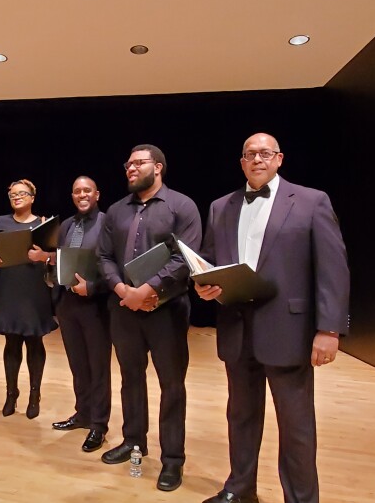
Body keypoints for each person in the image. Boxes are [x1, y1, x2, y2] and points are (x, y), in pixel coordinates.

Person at [195, 133, 350, 503]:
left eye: (264, 153)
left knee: (296, 426)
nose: (257, 160)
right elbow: (210, 261)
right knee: (241, 417)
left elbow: (333, 268)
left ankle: (299, 498)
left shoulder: (312, 201)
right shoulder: (221, 206)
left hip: (288, 329)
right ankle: (240, 489)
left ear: (279, 159)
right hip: (237, 327)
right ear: (241, 162)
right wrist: (205, 286)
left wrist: (329, 328)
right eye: (249, 154)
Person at [96, 145, 202, 491]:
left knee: (172, 386)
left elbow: (186, 257)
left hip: (167, 310)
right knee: (130, 377)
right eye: (127, 163)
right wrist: (122, 290)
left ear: (158, 167)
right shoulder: (115, 210)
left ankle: (172, 459)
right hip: (125, 308)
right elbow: (103, 256)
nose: (130, 168)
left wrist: (149, 289)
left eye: (137, 163)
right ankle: (133, 442)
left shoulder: (182, 206)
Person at [29, 176, 112, 452]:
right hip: (67, 302)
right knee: (78, 364)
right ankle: (83, 413)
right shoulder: (65, 225)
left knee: (98, 367)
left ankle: (99, 424)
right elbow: (62, 257)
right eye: (77, 191)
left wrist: (93, 287)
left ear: (97, 194)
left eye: (87, 190)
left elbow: (113, 263)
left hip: (96, 303)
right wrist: (48, 259)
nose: (82, 195)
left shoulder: (107, 222)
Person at [0, 179, 58, 419]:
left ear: (32, 197)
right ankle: (11, 394)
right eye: (13, 194)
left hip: (34, 289)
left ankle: (34, 395)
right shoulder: (0, 222)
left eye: (22, 193)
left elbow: (55, 258)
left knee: (34, 342)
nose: (17, 197)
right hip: (9, 288)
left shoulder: (43, 224)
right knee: (11, 342)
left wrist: (44, 255)